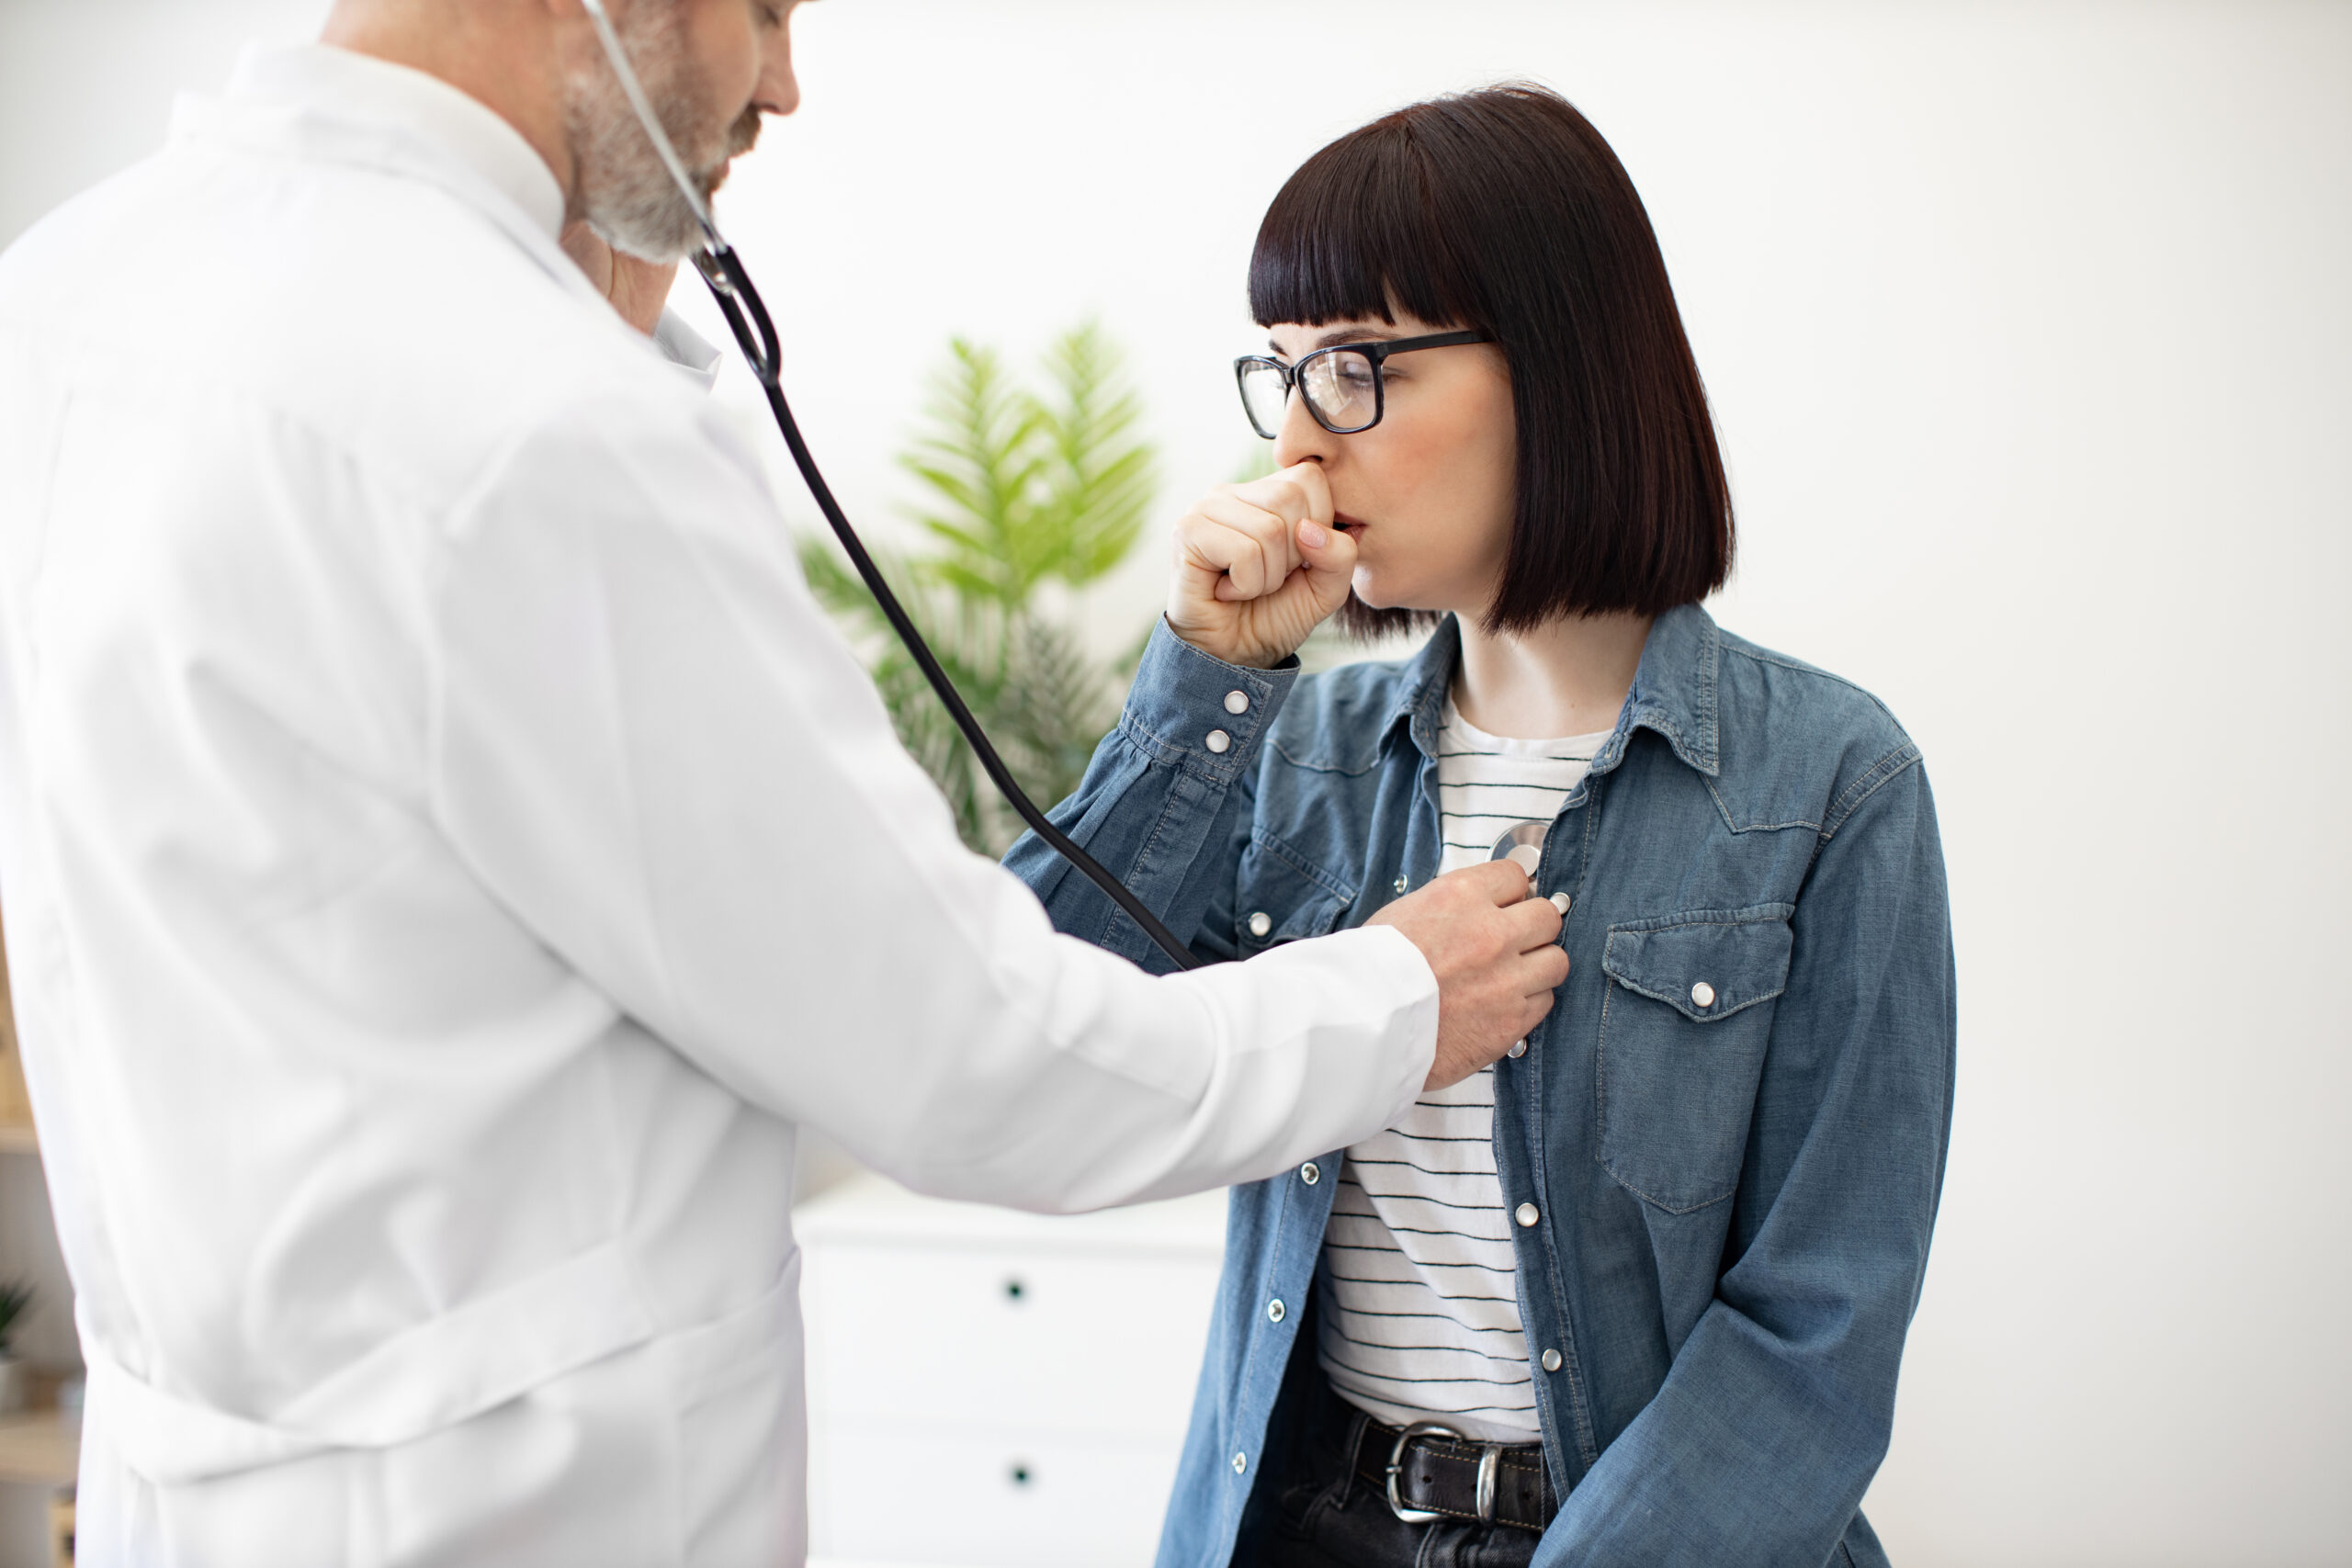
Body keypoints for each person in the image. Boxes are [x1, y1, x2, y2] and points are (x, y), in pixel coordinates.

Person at [0, 5, 1574, 1563]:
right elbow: (978, 1055)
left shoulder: (68, 297)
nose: (785, 84)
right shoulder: (531, 422)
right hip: (510, 1513)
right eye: (763, 7)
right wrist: (1397, 994)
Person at [1007, 85, 1957, 1568]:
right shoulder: (1293, 755)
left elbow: (1818, 1332)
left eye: (1359, 370)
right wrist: (1211, 680)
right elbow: (1027, 1035)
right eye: (1283, 376)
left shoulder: (1833, 781)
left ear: (1561, 366)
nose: (1300, 446)